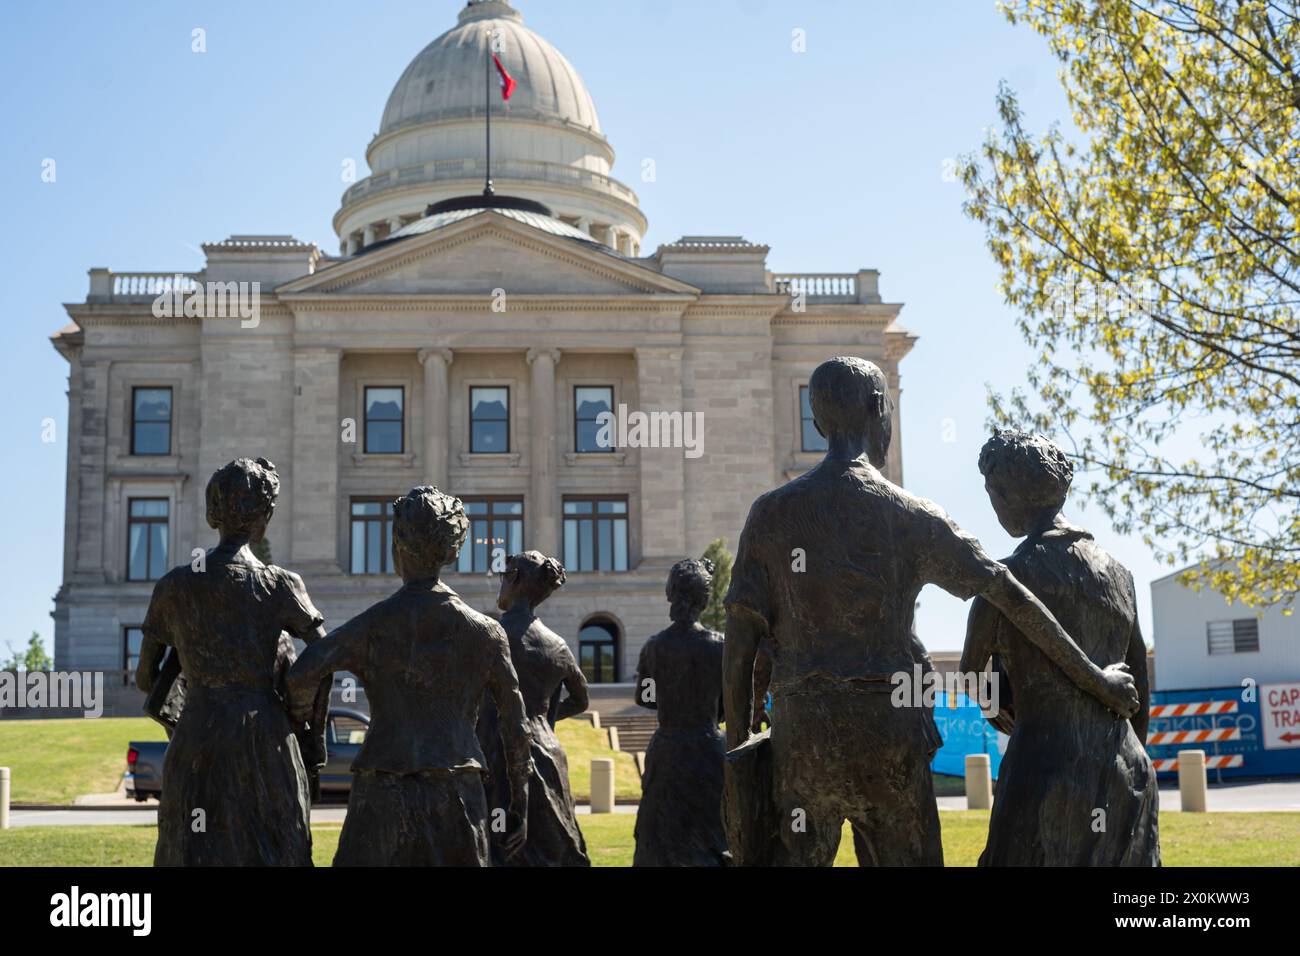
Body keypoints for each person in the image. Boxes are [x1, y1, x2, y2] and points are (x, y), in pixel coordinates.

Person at [723, 356, 1140, 866]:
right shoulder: (913, 515)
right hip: (888, 734)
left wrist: (737, 748)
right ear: (879, 409)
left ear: (818, 422)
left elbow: (740, 641)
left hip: (804, 738)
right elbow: (1010, 596)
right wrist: (1097, 679)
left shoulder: (769, 513)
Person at [287, 487, 532, 866]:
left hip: (383, 788)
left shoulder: (371, 626)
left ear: (397, 545)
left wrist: (310, 734)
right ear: (454, 551)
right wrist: (520, 802)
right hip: (455, 789)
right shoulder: (485, 632)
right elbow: (515, 724)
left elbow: (302, 675)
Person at [961, 430, 1159, 865]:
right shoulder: (1120, 574)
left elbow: (972, 674)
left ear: (1004, 494)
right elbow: (1140, 681)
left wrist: (998, 711)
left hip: (1043, 768)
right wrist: (1130, 761)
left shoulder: (1006, 578)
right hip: (1125, 768)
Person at [136, 457, 325, 866]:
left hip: (198, 733)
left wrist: (183, 711)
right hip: (266, 736)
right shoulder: (281, 584)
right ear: (267, 516)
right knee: (275, 847)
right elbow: (323, 655)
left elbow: (145, 677)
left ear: (211, 514)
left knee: (192, 849)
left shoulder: (174, 585)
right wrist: (300, 718)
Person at [477, 550, 590, 867]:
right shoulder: (557, 644)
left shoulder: (487, 637)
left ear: (513, 577)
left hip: (497, 753)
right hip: (546, 754)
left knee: (500, 848)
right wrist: (544, 719)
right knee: (551, 850)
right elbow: (581, 700)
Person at [633, 558, 730, 867]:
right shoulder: (719, 647)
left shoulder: (654, 647)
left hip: (668, 748)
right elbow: (731, 703)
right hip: (708, 747)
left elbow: (646, 699)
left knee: (662, 839)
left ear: (671, 595)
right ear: (704, 599)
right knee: (710, 835)